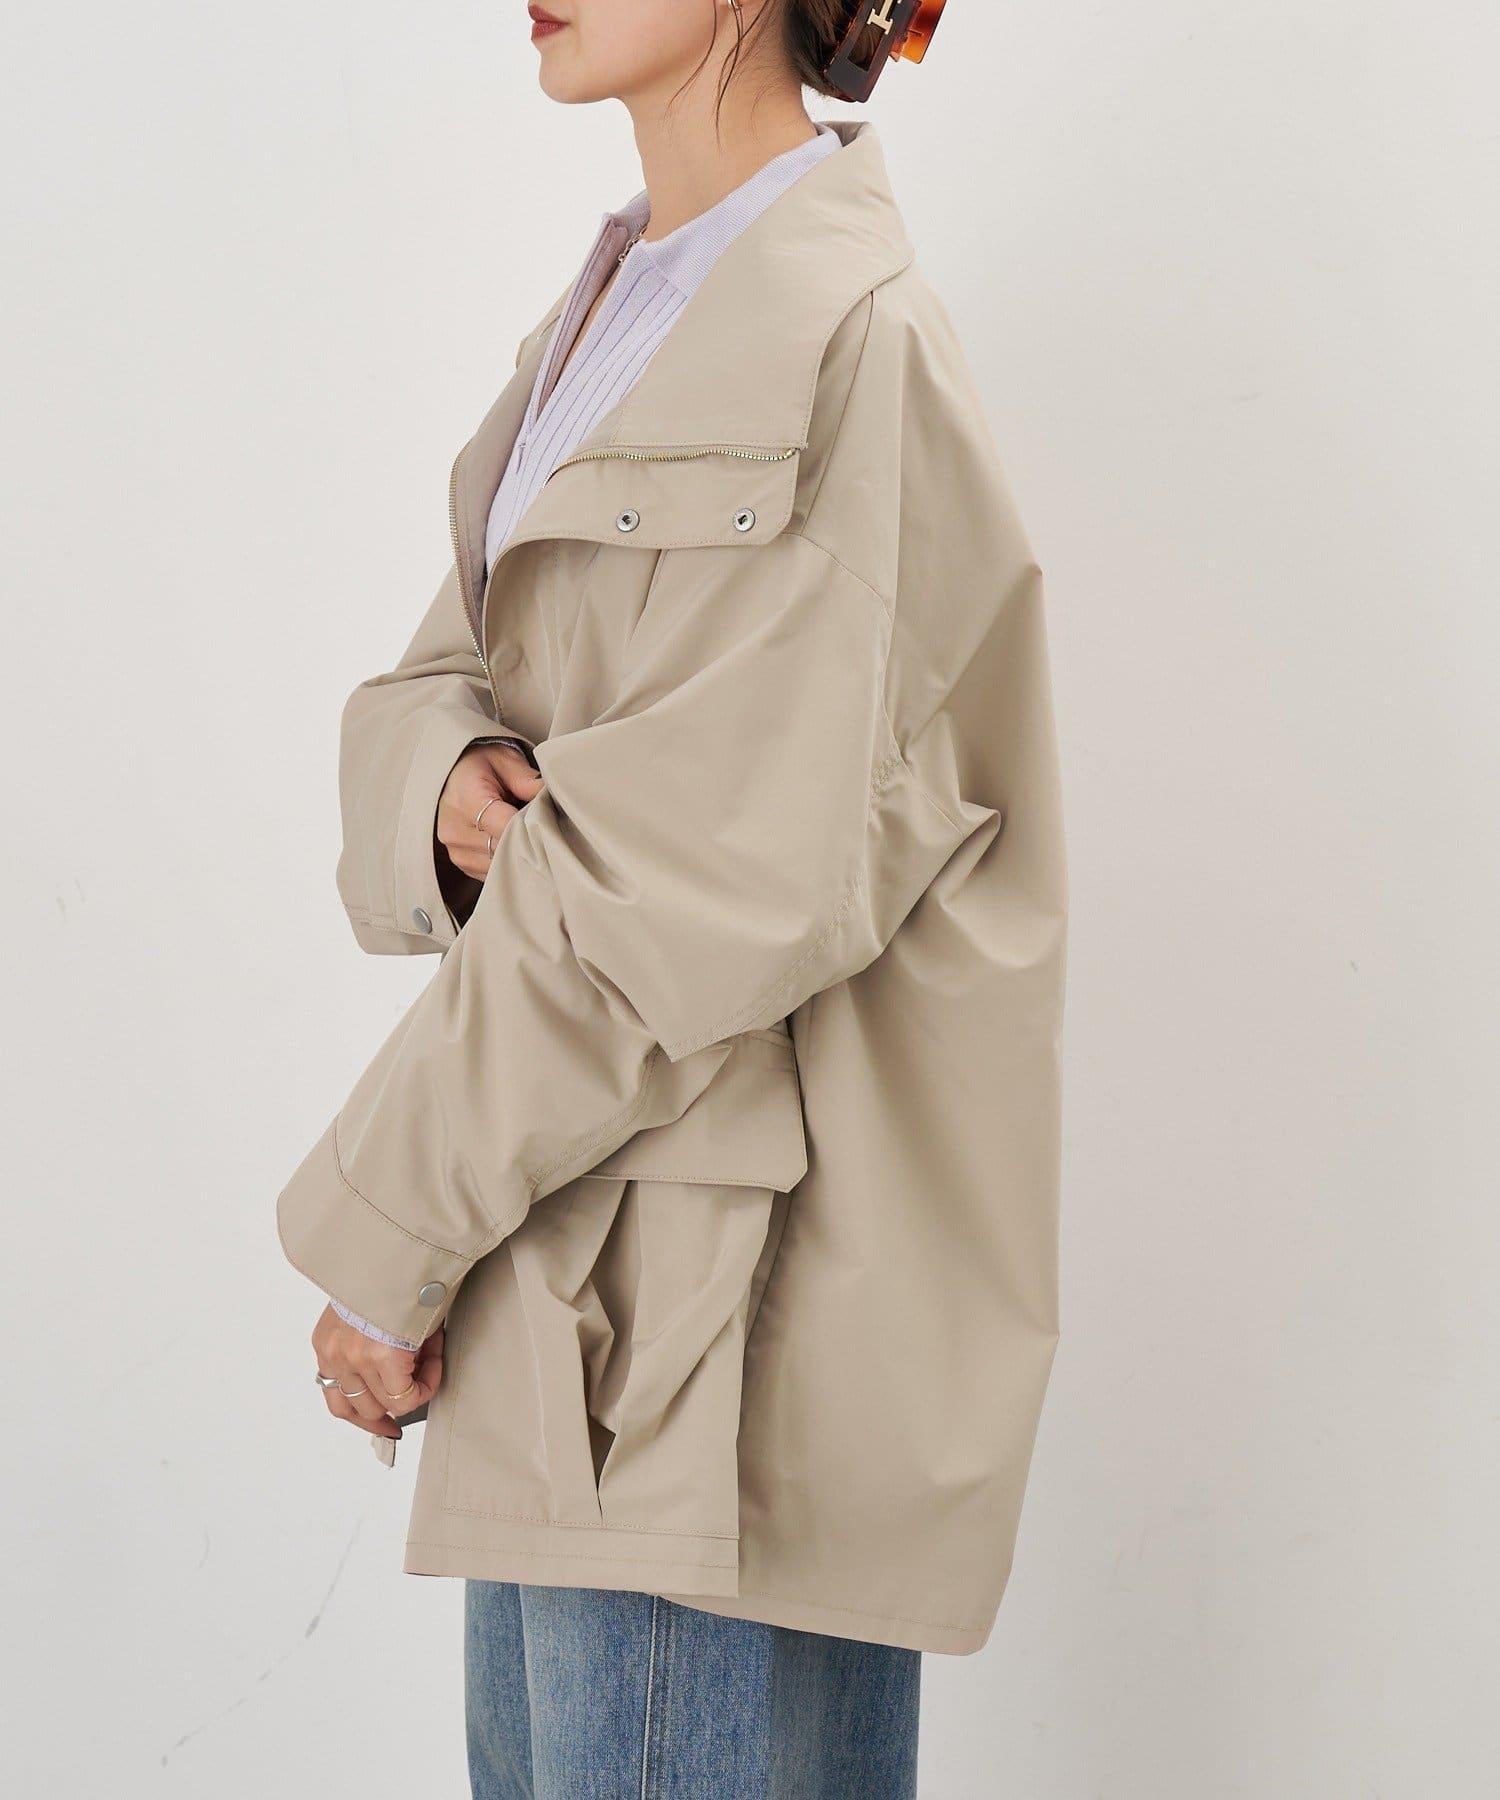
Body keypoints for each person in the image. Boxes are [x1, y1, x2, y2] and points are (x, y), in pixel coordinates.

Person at [276, 1, 1066, 1793]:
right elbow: (427, 690)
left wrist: (384, 1248)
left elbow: (677, 899)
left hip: (711, 1363)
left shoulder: (845, 347)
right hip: (570, 1310)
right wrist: (446, 783)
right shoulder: (627, 308)